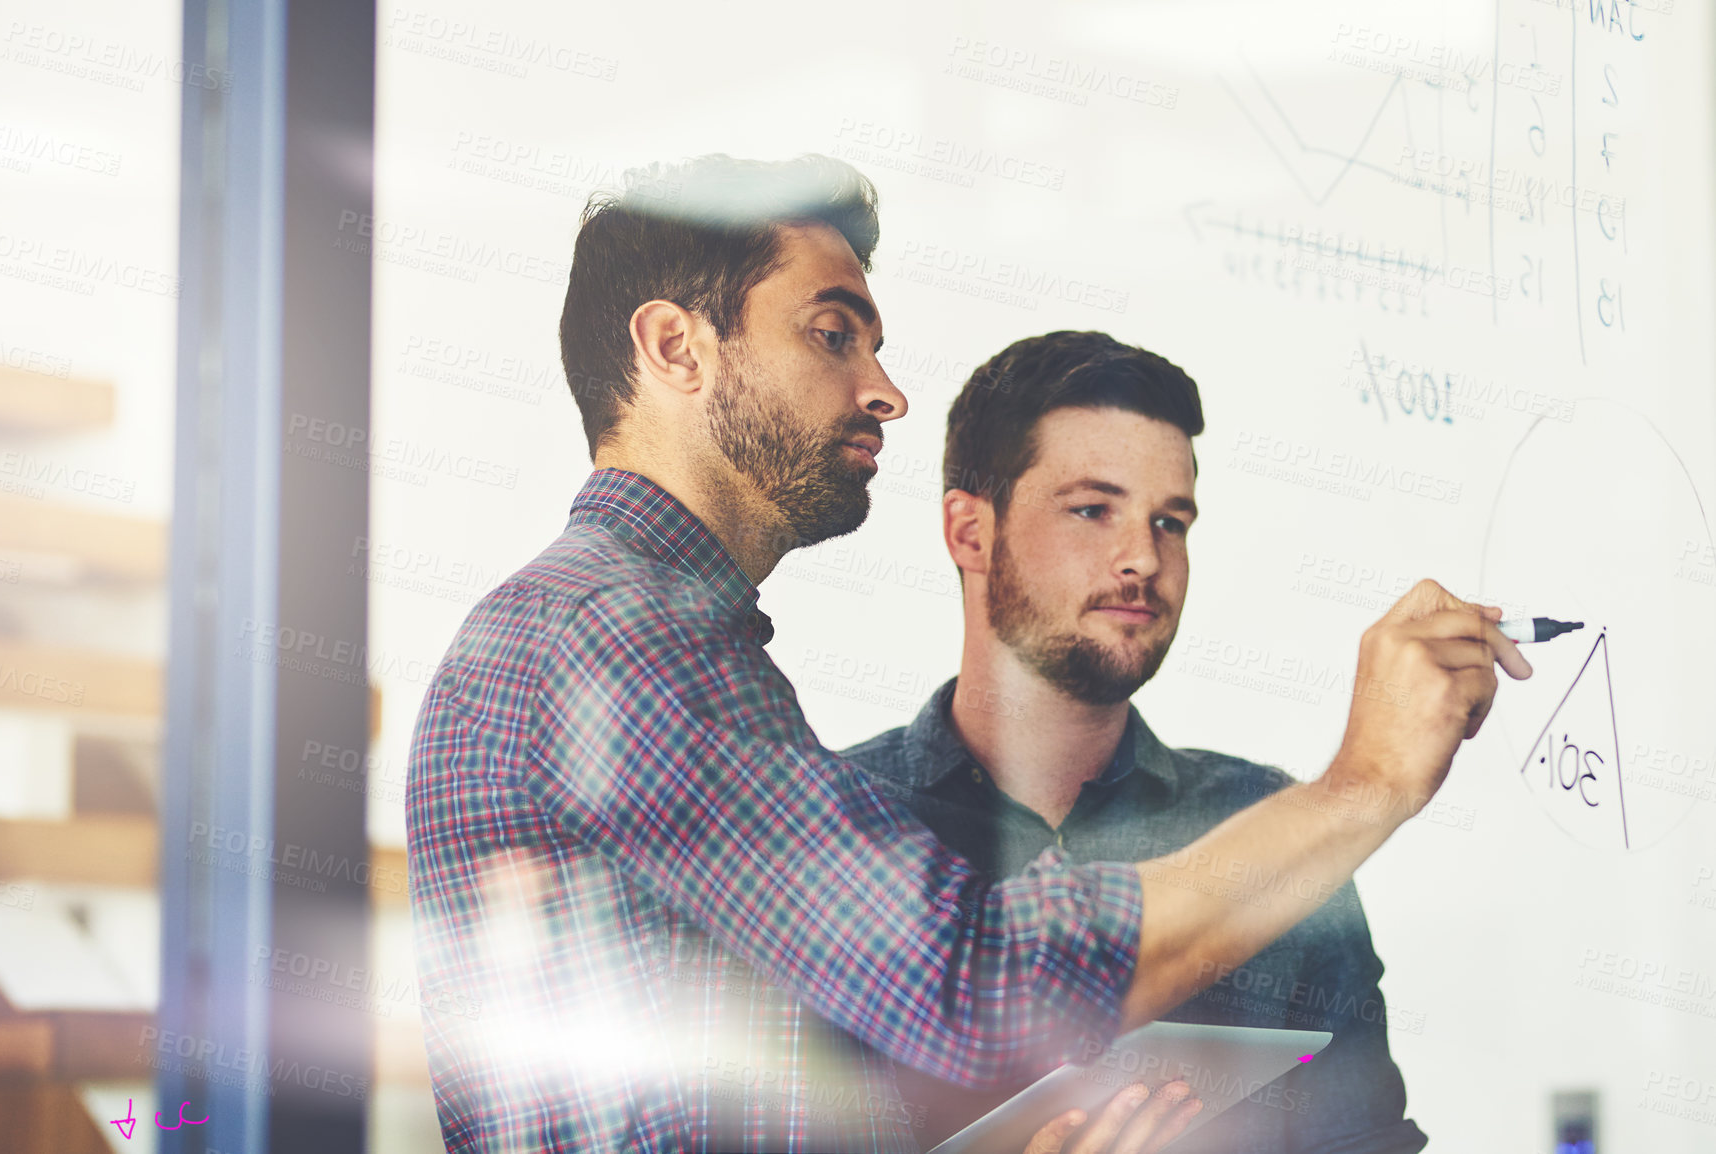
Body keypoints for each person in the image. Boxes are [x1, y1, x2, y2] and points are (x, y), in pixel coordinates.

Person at [403, 154, 1530, 1153]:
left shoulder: (628, 635)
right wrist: (1366, 784)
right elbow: (968, 978)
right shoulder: (617, 634)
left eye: (1170, 520)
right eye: (831, 332)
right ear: (673, 348)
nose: (884, 390)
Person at [842, 331, 1431, 1152]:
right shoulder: (839, 826)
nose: (1142, 558)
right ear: (969, 533)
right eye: (1092, 510)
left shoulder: (1270, 824)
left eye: (1171, 521)